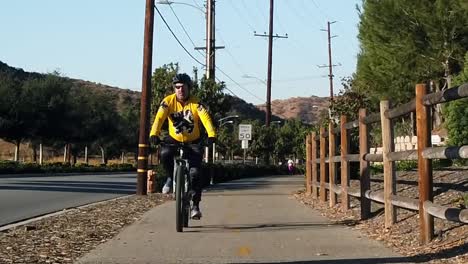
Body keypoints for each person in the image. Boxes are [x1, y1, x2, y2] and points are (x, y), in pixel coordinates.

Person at [149, 73, 216, 220]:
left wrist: (211, 135)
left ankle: (195, 205)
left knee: (195, 173)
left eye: (183, 87)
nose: (180, 90)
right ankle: (169, 177)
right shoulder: (167, 102)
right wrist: (154, 133)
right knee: (165, 154)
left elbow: (205, 118)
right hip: (174, 139)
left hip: (193, 142)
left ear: (189, 87)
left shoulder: (196, 103)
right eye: (177, 87)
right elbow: (159, 118)